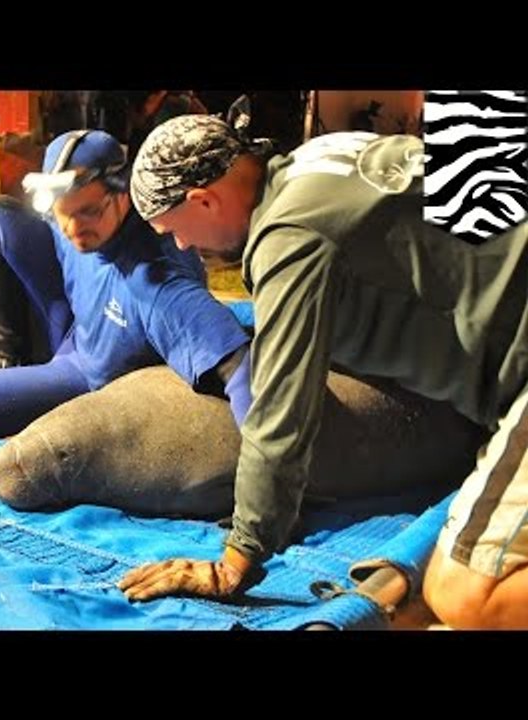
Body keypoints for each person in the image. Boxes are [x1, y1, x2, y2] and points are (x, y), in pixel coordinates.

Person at [118, 98, 528, 629]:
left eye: (174, 227)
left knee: (464, 595)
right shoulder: (319, 157)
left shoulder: (289, 237)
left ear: (205, 200)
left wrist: (238, 557)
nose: (181, 244)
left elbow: (282, 412)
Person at [0, 129, 253, 441]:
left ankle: (29, 372)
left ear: (123, 196)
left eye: (89, 211)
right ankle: (10, 359)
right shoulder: (76, 222)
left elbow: (241, 368)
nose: (73, 228)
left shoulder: (155, 282)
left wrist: (269, 485)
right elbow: (23, 230)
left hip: (85, 371)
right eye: (62, 212)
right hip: (73, 324)